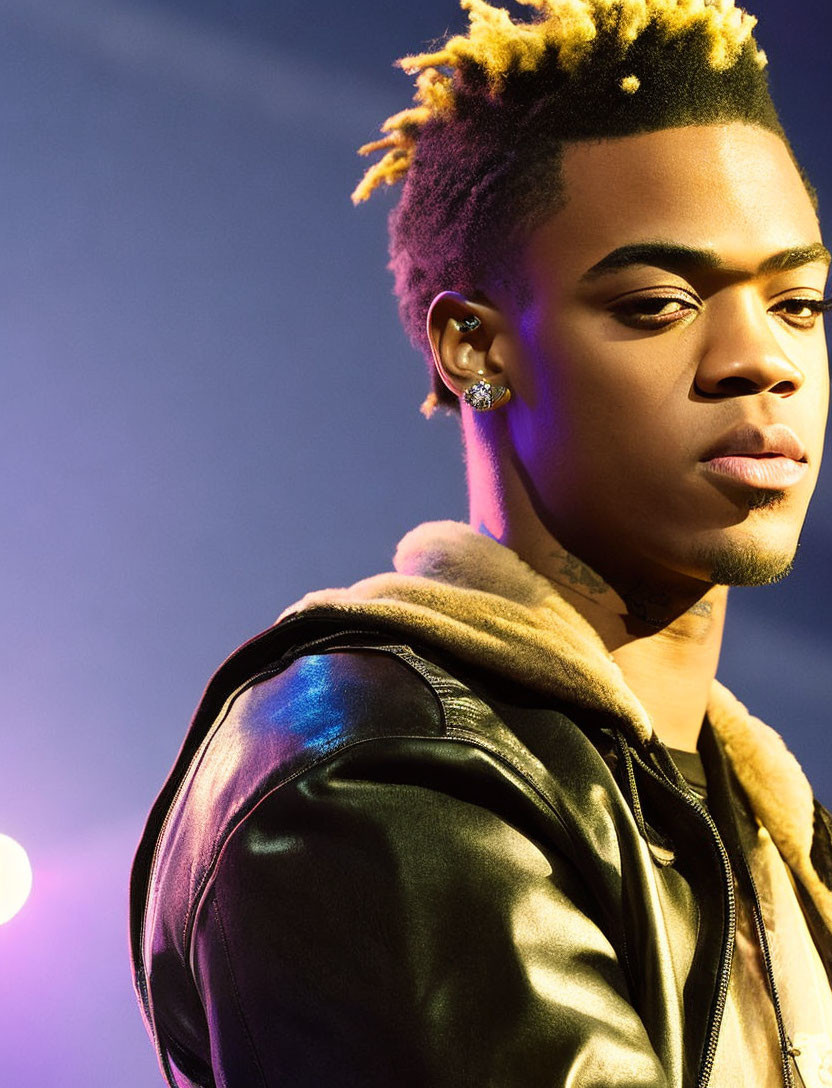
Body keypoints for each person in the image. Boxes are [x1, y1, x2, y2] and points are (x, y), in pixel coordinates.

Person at [130, 1, 832, 1085]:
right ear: (474, 346)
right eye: (656, 302)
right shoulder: (377, 781)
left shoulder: (774, 834)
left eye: (798, 301)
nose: (760, 359)